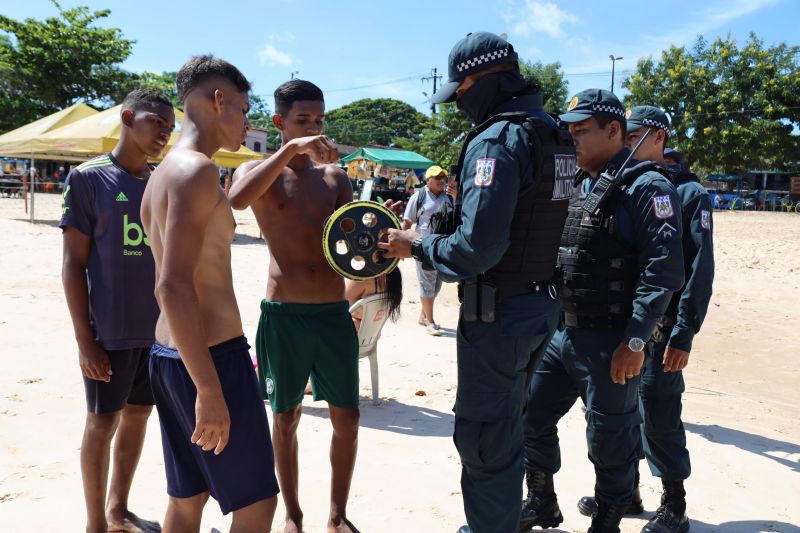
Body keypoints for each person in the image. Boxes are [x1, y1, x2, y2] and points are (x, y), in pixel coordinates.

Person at [381, 31, 575, 533]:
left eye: (460, 92)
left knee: (485, 436)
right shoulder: (552, 131)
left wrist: (417, 245)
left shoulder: (497, 139)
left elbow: (477, 249)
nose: (459, 103)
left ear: (478, 80)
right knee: (508, 424)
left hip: (501, 314)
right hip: (541, 306)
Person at [228, 79, 402, 533]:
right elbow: (236, 199)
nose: (312, 128)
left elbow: (358, 243)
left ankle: (337, 515)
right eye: (302, 120)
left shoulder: (336, 178)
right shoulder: (258, 171)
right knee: (285, 417)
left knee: (349, 417)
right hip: (283, 315)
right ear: (279, 122)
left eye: (319, 120)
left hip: (330, 314)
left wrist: (384, 254)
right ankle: (293, 514)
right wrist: (290, 151)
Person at [520, 91, 686, 533]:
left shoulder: (647, 187)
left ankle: (609, 517)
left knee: (610, 438)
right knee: (529, 415)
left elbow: (664, 273)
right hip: (564, 334)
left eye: (581, 130)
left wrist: (635, 342)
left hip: (613, 340)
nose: (571, 138)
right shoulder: (578, 182)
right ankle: (540, 500)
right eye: (568, 130)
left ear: (614, 131)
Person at [140, 55, 279, 532]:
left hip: (169, 354)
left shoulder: (162, 175)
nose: (246, 120)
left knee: (188, 497)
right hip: (209, 358)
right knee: (258, 504)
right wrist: (209, 389)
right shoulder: (195, 172)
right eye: (242, 107)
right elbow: (172, 283)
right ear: (217, 101)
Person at [576, 105, 714, 533]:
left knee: (659, 411)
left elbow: (697, 271)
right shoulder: (619, 184)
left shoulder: (689, 194)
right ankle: (627, 490)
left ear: (657, 136)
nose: (626, 142)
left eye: (634, 134)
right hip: (622, 322)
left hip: (662, 328)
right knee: (617, 412)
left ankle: (675, 502)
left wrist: (683, 333)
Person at [61, 88, 175, 533]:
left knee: (138, 415)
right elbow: (73, 266)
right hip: (108, 330)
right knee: (102, 422)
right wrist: (84, 339)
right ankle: (95, 525)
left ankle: (118, 512)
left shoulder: (160, 181)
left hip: (157, 330)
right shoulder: (89, 178)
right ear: (128, 117)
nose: (163, 133)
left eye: (169, 127)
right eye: (155, 122)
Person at [402, 165, 454, 335]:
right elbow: (408, 223)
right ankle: (430, 322)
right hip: (423, 246)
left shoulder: (449, 197)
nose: (441, 180)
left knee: (437, 285)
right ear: (428, 180)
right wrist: (404, 245)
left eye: (443, 177)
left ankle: (423, 316)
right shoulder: (419, 196)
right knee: (427, 284)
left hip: (442, 246)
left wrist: (456, 197)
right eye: (437, 177)